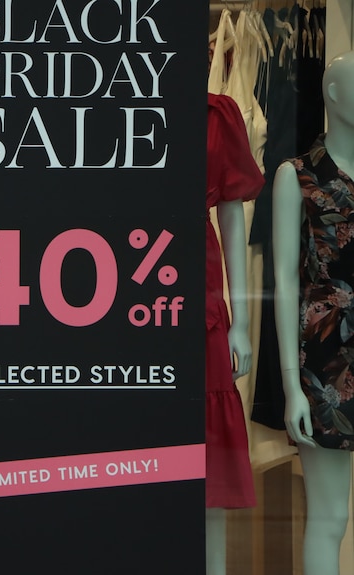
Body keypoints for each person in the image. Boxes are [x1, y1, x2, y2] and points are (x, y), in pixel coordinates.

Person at [273, 50, 354, 575]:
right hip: (326, 363)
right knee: (329, 517)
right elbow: (281, 280)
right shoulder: (296, 177)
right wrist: (290, 385)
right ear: (333, 93)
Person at [204, 93, 262, 575]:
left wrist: (240, 320)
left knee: (208, 470)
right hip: (128, 287)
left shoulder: (214, 115)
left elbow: (231, 215)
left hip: (197, 288)